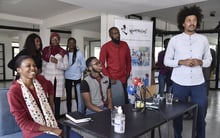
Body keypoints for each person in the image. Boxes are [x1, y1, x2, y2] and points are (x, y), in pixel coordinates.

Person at [164, 5, 212, 138]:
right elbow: (166, 61)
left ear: (197, 22)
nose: (192, 23)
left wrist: (200, 62)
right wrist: (181, 62)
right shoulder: (175, 40)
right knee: (177, 115)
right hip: (179, 83)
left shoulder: (203, 40)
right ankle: (177, 136)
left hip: (199, 84)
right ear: (183, 23)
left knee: (201, 114)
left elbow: (209, 60)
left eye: (194, 20)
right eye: (189, 20)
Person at [7, 55, 82, 138]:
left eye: (34, 65)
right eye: (28, 66)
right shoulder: (14, 91)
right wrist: (52, 130)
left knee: (77, 137)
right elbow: (23, 123)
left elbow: (51, 87)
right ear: (18, 70)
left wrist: (50, 105)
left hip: (50, 122)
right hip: (33, 131)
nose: (33, 68)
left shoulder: (40, 80)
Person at [99, 27, 131, 104]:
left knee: (124, 100)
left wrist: (128, 73)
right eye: (115, 33)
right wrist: (109, 78)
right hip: (112, 79)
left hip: (123, 78)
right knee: (113, 101)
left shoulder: (125, 45)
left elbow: (128, 61)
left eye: (118, 33)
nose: (117, 35)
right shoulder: (105, 47)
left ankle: (125, 116)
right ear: (110, 35)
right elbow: (101, 64)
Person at [42, 32, 68, 119]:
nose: (55, 41)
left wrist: (57, 62)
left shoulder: (63, 52)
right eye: (53, 39)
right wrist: (43, 77)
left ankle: (56, 117)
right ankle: (48, 116)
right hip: (48, 77)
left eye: (57, 39)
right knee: (48, 96)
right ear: (50, 40)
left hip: (59, 78)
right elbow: (43, 66)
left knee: (57, 98)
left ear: (59, 40)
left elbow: (66, 66)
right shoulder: (45, 50)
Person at [64, 37, 86, 113]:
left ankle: (79, 112)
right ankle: (69, 113)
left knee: (78, 97)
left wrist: (79, 71)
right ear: (67, 44)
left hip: (77, 77)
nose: (71, 44)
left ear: (75, 44)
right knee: (68, 97)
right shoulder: (65, 54)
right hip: (67, 77)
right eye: (70, 42)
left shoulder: (79, 53)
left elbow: (84, 65)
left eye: (73, 42)